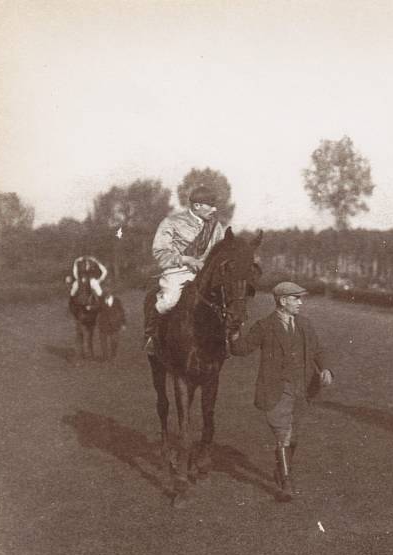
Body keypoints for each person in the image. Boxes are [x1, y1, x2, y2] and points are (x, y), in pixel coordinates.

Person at [230, 282, 334, 502]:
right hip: (276, 389)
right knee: (283, 433)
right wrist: (233, 332)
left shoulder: (305, 324)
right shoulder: (265, 326)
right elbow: (241, 349)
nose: (300, 303)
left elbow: (318, 350)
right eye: (296, 299)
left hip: (303, 389)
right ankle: (286, 482)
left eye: (300, 299)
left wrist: (325, 368)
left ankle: (281, 468)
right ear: (283, 300)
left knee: (293, 435)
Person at [143, 186, 225, 354]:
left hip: (206, 274)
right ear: (197, 206)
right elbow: (160, 252)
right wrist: (186, 259)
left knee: (226, 302)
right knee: (169, 301)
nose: (214, 209)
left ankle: (225, 342)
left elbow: (220, 252)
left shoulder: (216, 227)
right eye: (210, 205)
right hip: (177, 271)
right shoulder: (171, 223)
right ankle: (152, 337)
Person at [97, 288, 126, 361]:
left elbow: (121, 312)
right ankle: (105, 357)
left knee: (114, 341)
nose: (106, 295)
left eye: (107, 293)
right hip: (103, 324)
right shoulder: (101, 301)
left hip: (114, 324)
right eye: (105, 293)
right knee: (103, 341)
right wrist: (90, 308)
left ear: (111, 293)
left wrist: (123, 323)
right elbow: (96, 309)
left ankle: (113, 356)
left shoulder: (116, 301)